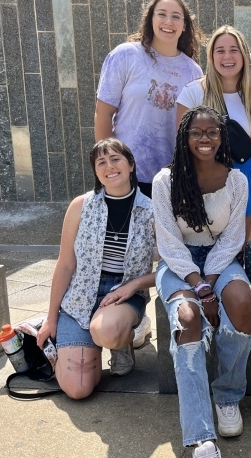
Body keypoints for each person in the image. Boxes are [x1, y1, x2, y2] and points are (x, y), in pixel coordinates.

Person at [95, 0, 203, 347]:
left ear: (185, 25)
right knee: (125, 251)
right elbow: (103, 113)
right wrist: (105, 163)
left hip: (169, 177)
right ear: (150, 18)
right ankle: (127, 323)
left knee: (165, 249)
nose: (169, 22)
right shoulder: (126, 56)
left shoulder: (192, 70)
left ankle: (155, 315)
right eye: (162, 14)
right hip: (126, 174)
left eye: (176, 16)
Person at [153, 107, 251, 458]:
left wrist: (209, 283)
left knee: (243, 302)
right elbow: (168, 242)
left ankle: (227, 396)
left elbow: (231, 240)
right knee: (188, 318)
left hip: (220, 260)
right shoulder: (164, 181)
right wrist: (197, 287)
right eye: (197, 132)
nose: (204, 139)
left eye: (212, 132)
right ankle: (201, 435)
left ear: (221, 137)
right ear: (185, 136)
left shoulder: (238, 180)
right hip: (178, 262)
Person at [37, 138, 155, 400]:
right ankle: (86, 336)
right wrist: (50, 318)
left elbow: (171, 267)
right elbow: (66, 263)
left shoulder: (151, 211)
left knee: (106, 331)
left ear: (131, 165)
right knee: (78, 389)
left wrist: (134, 285)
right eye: (101, 162)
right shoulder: (80, 206)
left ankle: (121, 341)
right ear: (95, 171)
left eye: (116, 159)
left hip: (123, 296)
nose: (109, 166)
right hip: (79, 296)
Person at [177, 26, 251, 240]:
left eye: (234, 50)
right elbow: (180, 147)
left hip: (245, 176)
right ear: (211, 56)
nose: (227, 56)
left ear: (244, 54)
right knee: (201, 243)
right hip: (201, 177)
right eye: (220, 50)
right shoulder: (192, 93)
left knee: (237, 247)